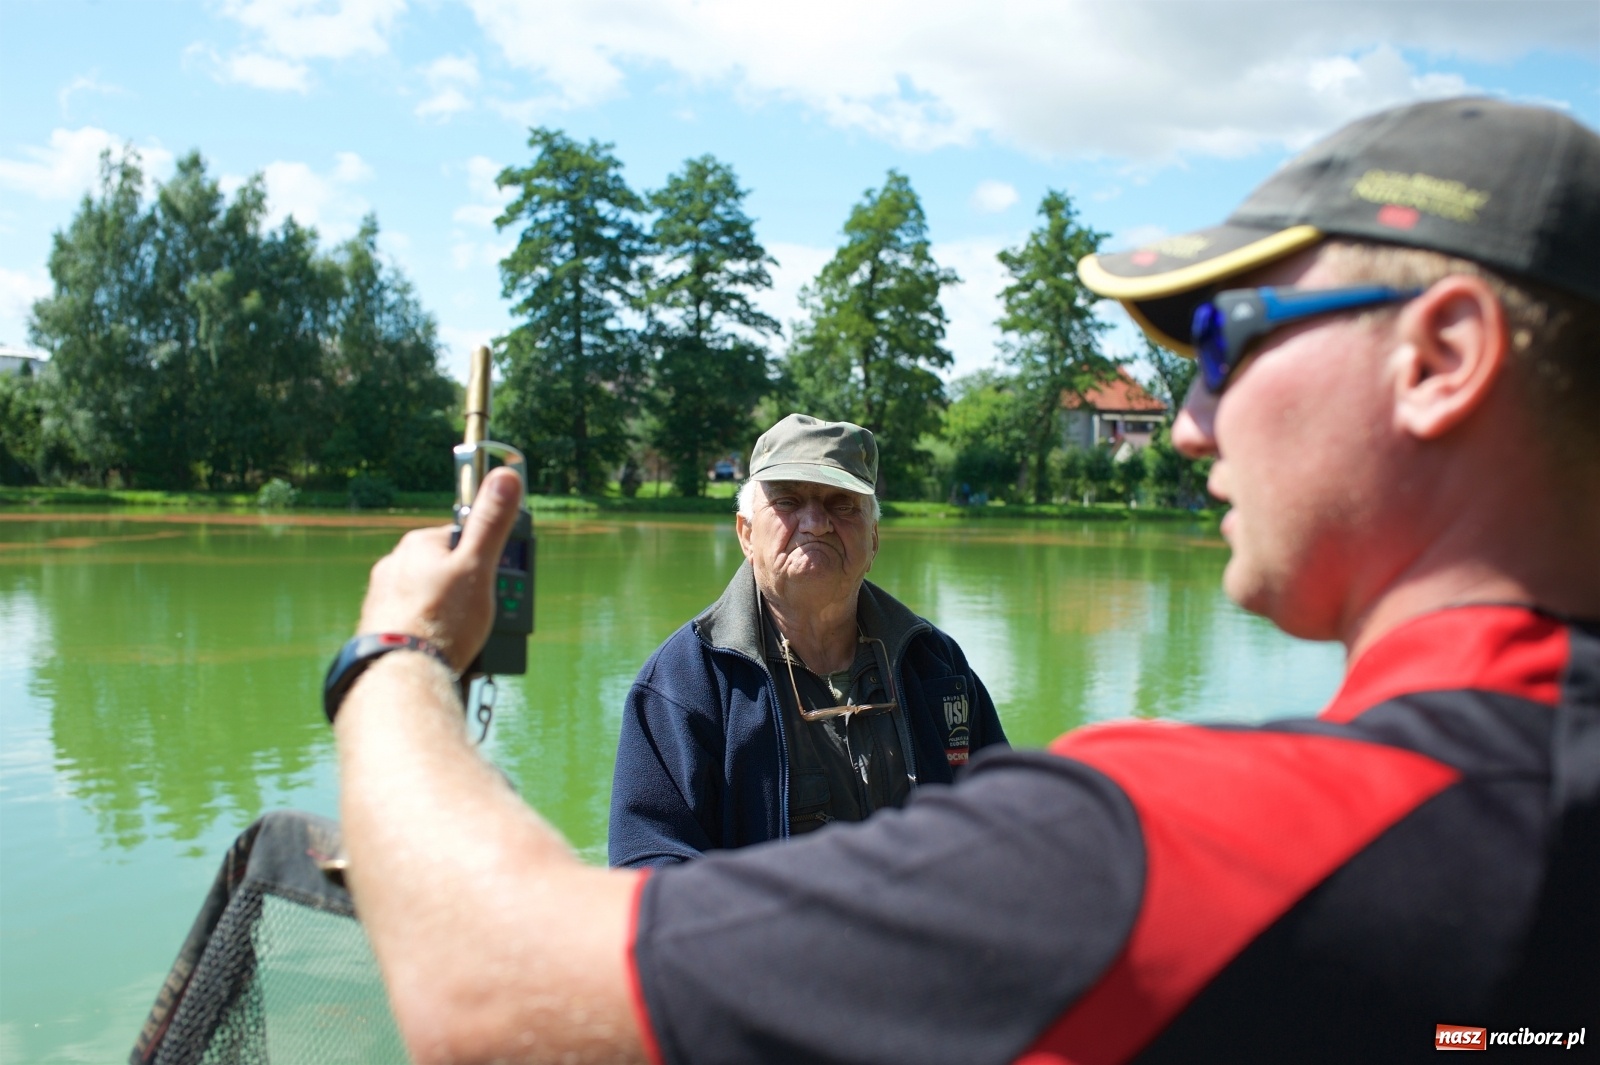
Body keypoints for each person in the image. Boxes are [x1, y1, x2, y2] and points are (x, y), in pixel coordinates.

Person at [329, 97, 1598, 1065]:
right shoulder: (683, 686)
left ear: (1439, 358)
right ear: (744, 520)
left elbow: (490, 992)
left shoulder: (1165, 846)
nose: (1190, 422)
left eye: (1228, 338)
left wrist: (396, 658)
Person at [608, 413, 1006, 867]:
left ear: (873, 538)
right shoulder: (682, 683)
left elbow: (1006, 820)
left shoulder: (936, 663)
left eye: (842, 504)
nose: (815, 523)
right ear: (746, 534)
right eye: (789, 501)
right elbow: (648, 871)